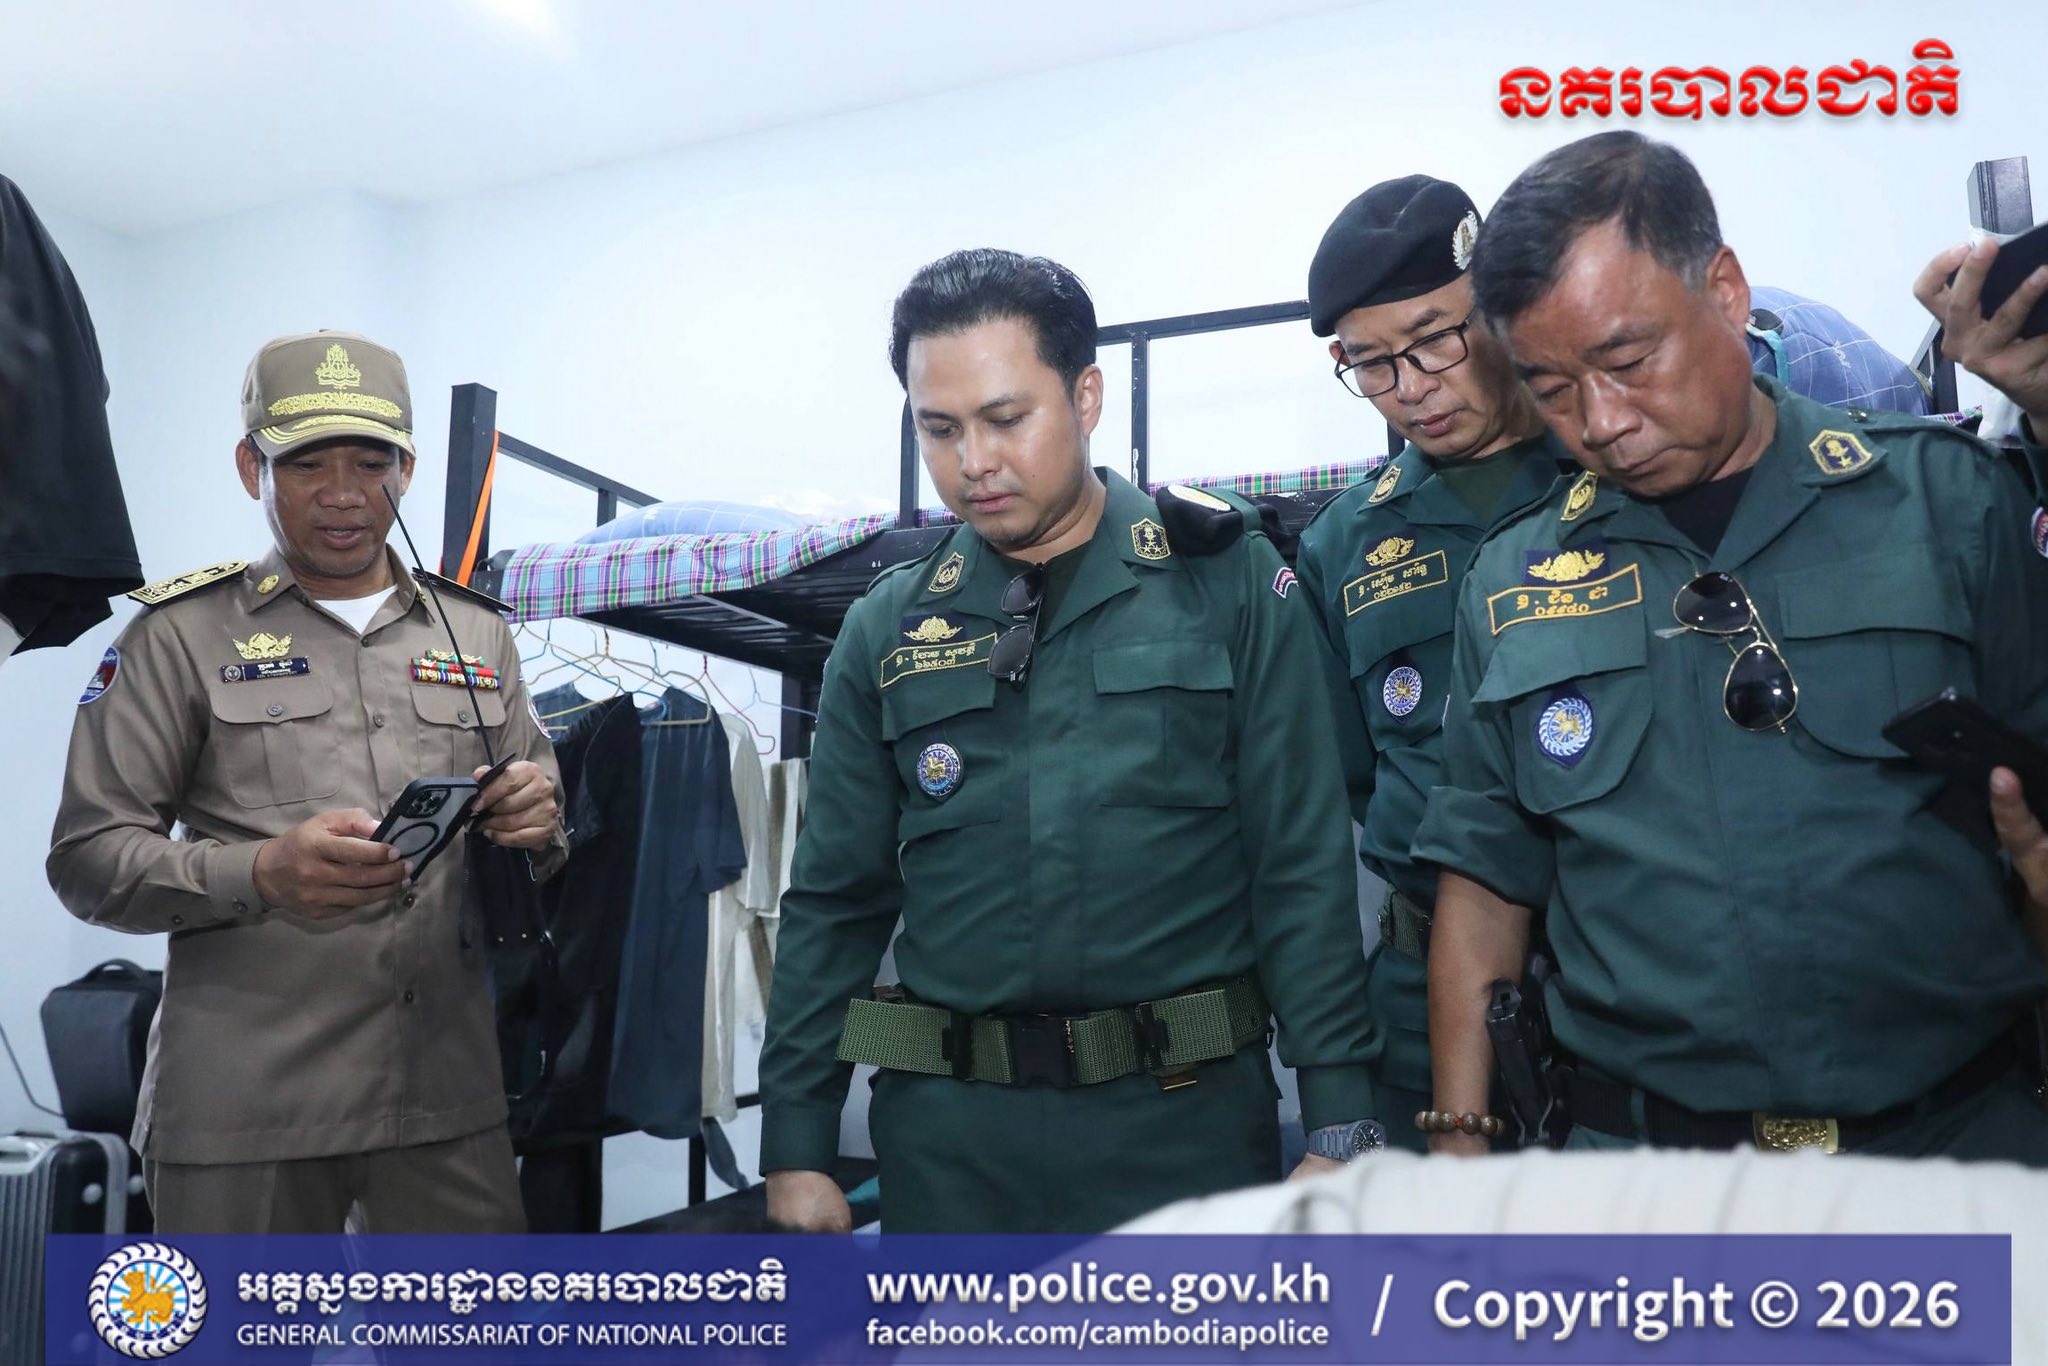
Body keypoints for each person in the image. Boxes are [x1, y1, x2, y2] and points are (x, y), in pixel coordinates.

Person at [1412, 131, 2048, 1162]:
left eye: (1628, 361)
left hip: (1951, 1144)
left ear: (1724, 290)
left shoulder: (1946, 506)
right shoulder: (1512, 580)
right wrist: (1459, 1142)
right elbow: (1485, 880)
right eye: (1551, 389)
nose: (1599, 422)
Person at [759, 248, 1378, 1233]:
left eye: (1006, 419)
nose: (974, 461)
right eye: (939, 428)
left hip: (1180, 1134)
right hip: (950, 1151)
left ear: (1085, 397)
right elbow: (835, 898)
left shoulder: (1224, 585)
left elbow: (1298, 862)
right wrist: (795, 1141)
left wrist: (1340, 1116)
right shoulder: (886, 628)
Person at [48, 330, 568, 1232]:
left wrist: (539, 816)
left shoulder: (476, 632)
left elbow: (541, 820)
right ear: (252, 467)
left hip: (445, 1102)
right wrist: (257, 873)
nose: (342, 493)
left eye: (370, 463)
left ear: (406, 470)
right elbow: (88, 859)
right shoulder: (178, 635)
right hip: (247, 1110)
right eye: (306, 463)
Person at [1293, 175, 1569, 1151]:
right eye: (1369, 363)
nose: (1409, 388)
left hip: (1621, 977)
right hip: (1417, 1008)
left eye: (1433, 341)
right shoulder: (1342, 545)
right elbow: (1351, 780)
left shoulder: (1615, 472)